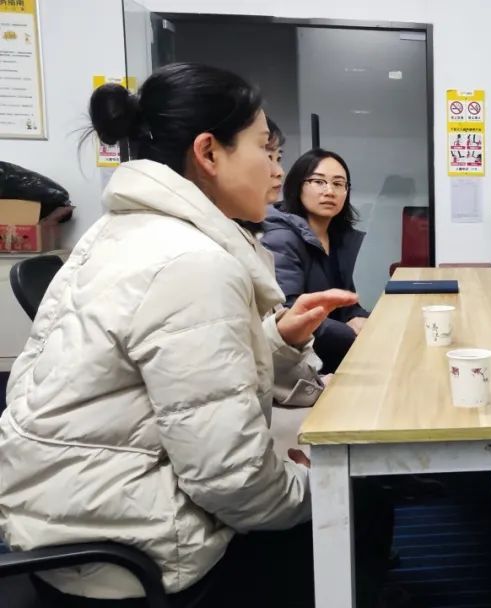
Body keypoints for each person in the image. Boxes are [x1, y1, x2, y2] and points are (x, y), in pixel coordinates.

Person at [0, 63, 394, 607]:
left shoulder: (121, 232)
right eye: (266, 149)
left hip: (66, 514)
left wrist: (277, 341)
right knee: (359, 494)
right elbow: (234, 483)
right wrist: (315, 487)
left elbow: (187, 380)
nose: (276, 170)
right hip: (134, 552)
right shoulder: (190, 262)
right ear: (208, 153)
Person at [262, 148, 370, 374]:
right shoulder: (281, 237)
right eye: (318, 182)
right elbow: (289, 313)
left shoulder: (338, 237)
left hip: (334, 354)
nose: (329, 191)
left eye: (338, 184)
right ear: (297, 185)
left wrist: (359, 318)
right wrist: (353, 334)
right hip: (302, 366)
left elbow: (345, 302)